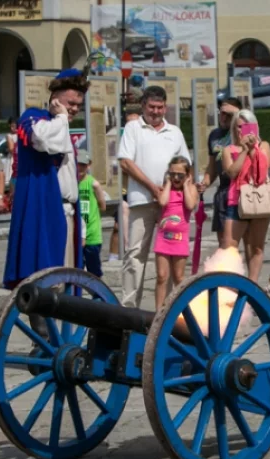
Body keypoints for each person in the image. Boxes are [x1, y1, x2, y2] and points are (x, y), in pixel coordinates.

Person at [3, 66, 88, 350]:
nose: (74, 109)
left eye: (78, 105)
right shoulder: (34, 118)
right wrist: (61, 117)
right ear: (55, 97)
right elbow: (45, 142)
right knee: (45, 277)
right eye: (70, 103)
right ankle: (43, 341)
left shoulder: (59, 124)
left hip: (66, 211)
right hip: (44, 211)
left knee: (64, 279)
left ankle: (58, 338)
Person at [118, 85, 190, 307]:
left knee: (169, 260)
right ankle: (129, 307)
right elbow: (125, 162)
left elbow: (187, 166)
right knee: (135, 254)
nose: (156, 112)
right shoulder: (133, 128)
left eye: (160, 107)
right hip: (142, 199)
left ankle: (168, 308)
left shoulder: (175, 132)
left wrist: (188, 194)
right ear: (143, 106)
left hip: (172, 205)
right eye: (152, 107)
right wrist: (152, 187)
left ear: (165, 108)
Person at [221, 109, 270, 283]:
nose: (240, 130)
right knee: (229, 247)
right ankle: (233, 283)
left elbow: (262, 172)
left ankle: (252, 285)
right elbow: (232, 173)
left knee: (256, 247)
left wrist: (253, 150)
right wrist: (243, 151)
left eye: (245, 126)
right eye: (237, 127)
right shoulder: (228, 149)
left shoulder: (263, 146)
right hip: (236, 201)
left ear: (254, 127)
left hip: (259, 201)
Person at [154, 156, 197, 309]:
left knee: (178, 277)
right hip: (163, 238)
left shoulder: (190, 189)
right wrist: (167, 184)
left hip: (180, 240)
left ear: (188, 175)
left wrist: (186, 185)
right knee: (161, 276)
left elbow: (190, 204)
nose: (176, 178)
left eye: (180, 175)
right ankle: (159, 312)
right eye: (173, 174)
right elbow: (163, 202)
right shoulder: (166, 188)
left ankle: (181, 309)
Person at [198, 98, 241, 246]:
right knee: (224, 243)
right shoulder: (214, 135)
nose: (223, 117)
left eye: (229, 115)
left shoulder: (241, 133)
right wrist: (205, 182)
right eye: (221, 113)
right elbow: (212, 166)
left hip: (242, 190)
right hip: (224, 191)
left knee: (249, 243)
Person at [109, 88, 143, 263]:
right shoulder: (121, 135)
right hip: (122, 189)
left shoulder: (142, 134)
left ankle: (132, 258)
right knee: (118, 227)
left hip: (138, 189)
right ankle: (114, 258)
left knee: (136, 228)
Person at [77, 150, 107, 278]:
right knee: (76, 269)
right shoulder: (72, 183)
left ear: (88, 165)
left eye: (83, 165)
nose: (80, 168)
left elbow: (103, 205)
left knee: (93, 270)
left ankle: (98, 296)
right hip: (77, 234)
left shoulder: (93, 184)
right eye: (77, 164)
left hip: (92, 235)